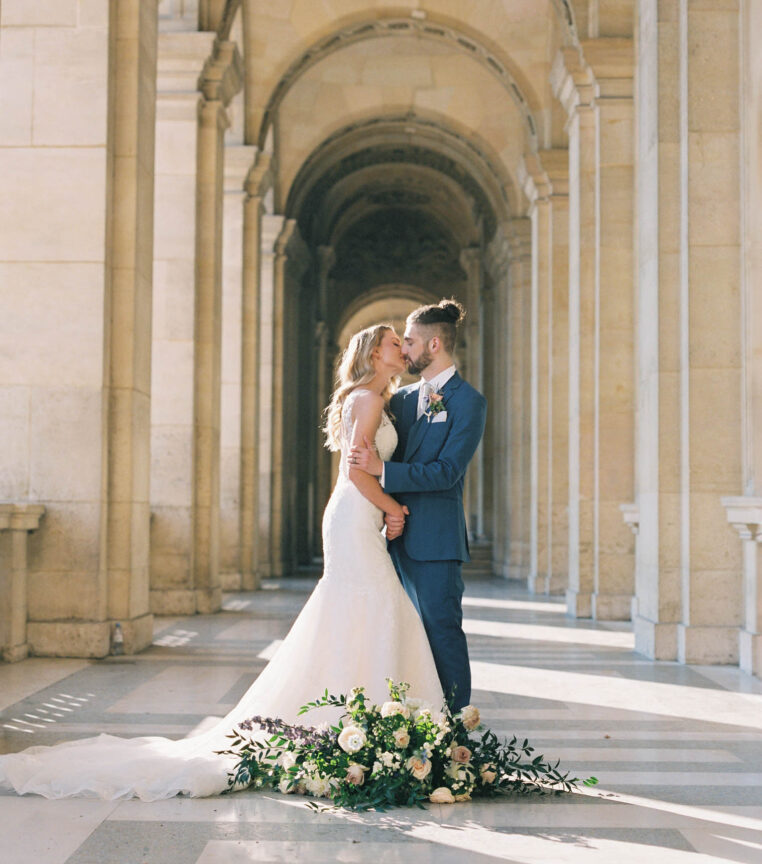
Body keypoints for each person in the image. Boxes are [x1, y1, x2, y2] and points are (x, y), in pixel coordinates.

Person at [0, 324, 443, 800]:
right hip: (356, 515)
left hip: (356, 514)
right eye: (396, 342)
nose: (404, 348)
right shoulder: (368, 400)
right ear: (375, 353)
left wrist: (387, 504)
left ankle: (360, 725)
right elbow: (357, 470)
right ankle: (360, 726)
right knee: (369, 604)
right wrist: (393, 508)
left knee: (358, 610)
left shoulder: (370, 398)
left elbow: (365, 465)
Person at [350, 299, 486, 710]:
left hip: (435, 542)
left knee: (442, 632)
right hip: (389, 539)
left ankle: (456, 731)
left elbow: (447, 471)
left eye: (408, 341)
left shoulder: (469, 402)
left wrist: (383, 472)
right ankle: (406, 726)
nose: (404, 349)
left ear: (434, 344)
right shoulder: (402, 399)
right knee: (399, 637)